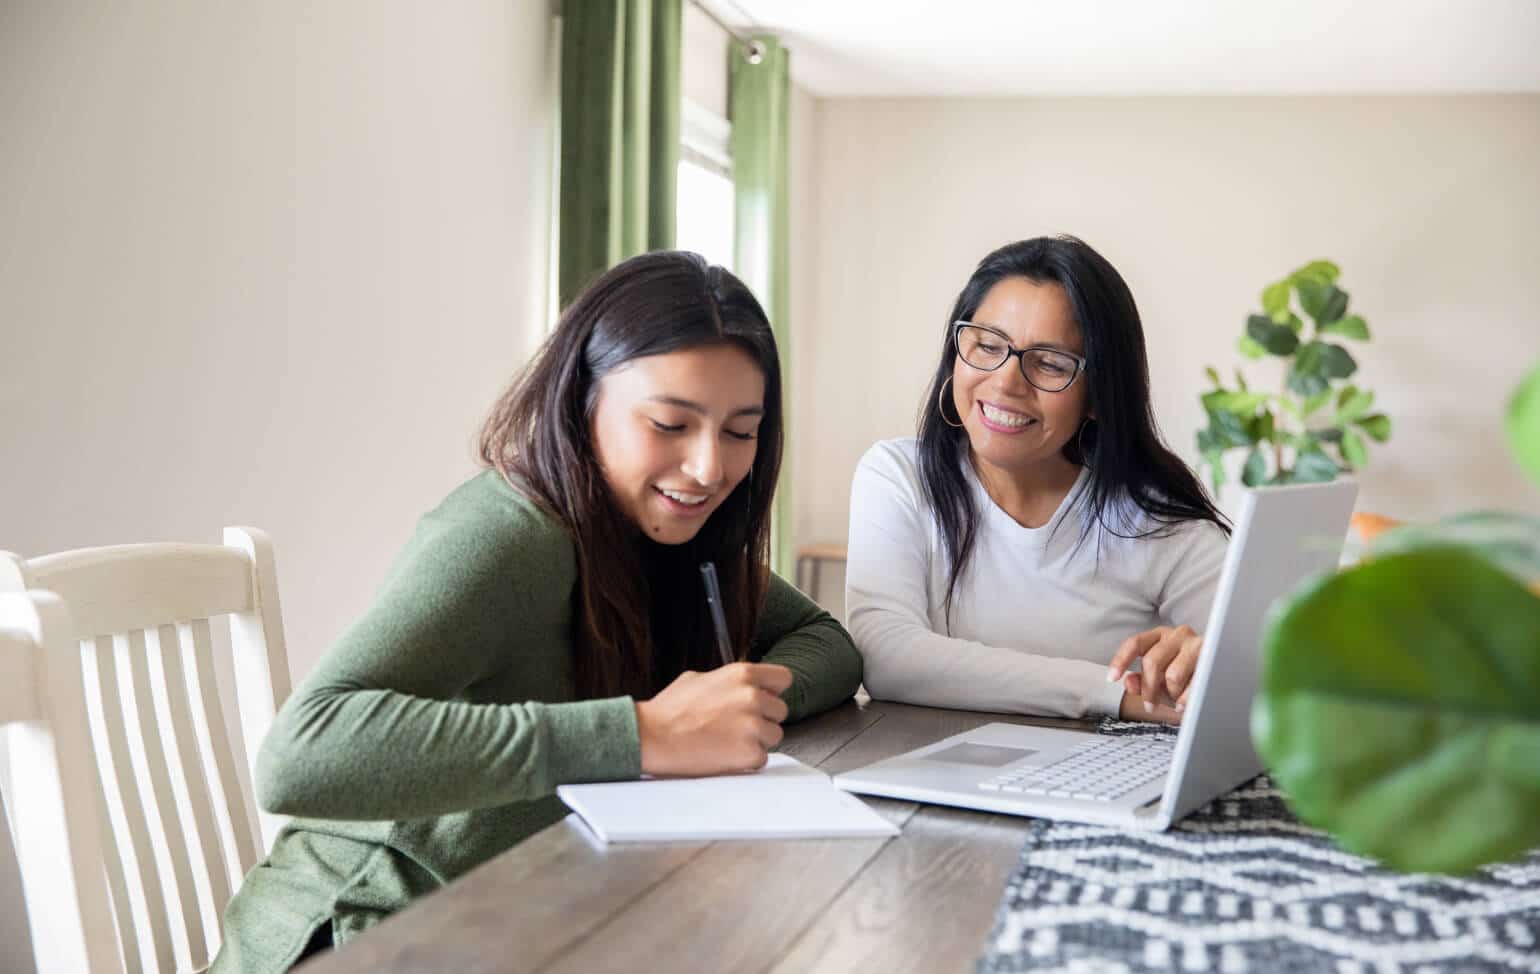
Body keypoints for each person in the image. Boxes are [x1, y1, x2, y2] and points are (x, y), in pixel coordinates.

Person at [213, 251, 863, 972]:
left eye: (741, 432)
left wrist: (736, 707)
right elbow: (299, 754)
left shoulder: (667, 536)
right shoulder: (507, 536)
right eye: (671, 424)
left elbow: (826, 643)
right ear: (584, 401)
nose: (710, 467)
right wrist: (642, 732)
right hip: (367, 929)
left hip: (530, 915)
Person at [845, 235, 1229, 725]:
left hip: (1097, 785)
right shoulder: (898, 477)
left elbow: (1268, 672)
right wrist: (1115, 695)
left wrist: (1212, 659)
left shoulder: (1156, 524)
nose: (1006, 382)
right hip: (927, 778)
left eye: (1049, 362)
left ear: (1098, 394)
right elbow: (888, 658)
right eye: (987, 345)